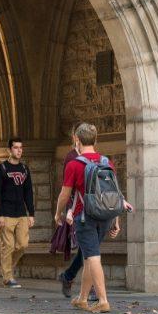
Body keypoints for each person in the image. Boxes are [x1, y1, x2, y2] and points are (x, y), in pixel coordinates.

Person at [54, 122, 132, 313]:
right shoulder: (106, 162)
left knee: (93, 257)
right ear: (95, 140)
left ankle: (103, 300)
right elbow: (114, 193)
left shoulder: (74, 164)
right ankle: (82, 298)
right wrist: (116, 220)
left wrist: (58, 213)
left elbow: (65, 195)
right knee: (89, 256)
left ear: (77, 140)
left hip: (84, 217)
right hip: (105, 216)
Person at [57, 125, 97, 302]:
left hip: (94, 211)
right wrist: (68, 212)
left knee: (87, 250)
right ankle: (94, 290)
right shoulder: (71, 158)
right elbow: (68, 189)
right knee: (89, 251)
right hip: (78, 212)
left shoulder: (97, 158)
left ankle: (69, 276)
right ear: (75, 137)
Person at [0, 137, 34, 288]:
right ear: (9, 150)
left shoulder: (24, 169)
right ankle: (8, 277)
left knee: (22, 245)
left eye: (21, 148)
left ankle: (8, 268)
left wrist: (31, 214)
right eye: (16, 147)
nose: (19, 150)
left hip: (21, 213)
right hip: (6, 213)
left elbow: (29, 192)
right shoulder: (2, 169)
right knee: (8, 246)